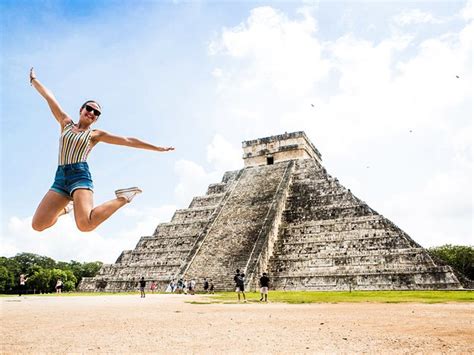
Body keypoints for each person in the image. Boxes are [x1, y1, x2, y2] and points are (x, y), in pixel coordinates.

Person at [29, 68, 175, 233]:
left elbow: (128, 140)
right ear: (81, 110)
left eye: (96, 112)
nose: (91, 113)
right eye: (89, 109)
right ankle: (67, 208)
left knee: (85, 225)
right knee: (38, 225)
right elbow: (50, 98)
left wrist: (157, 148)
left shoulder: (95, 134)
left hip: (79, 176)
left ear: (97, 118)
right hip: (60, 177)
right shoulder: (66, 123)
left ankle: (123, 197)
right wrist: (34, 80)